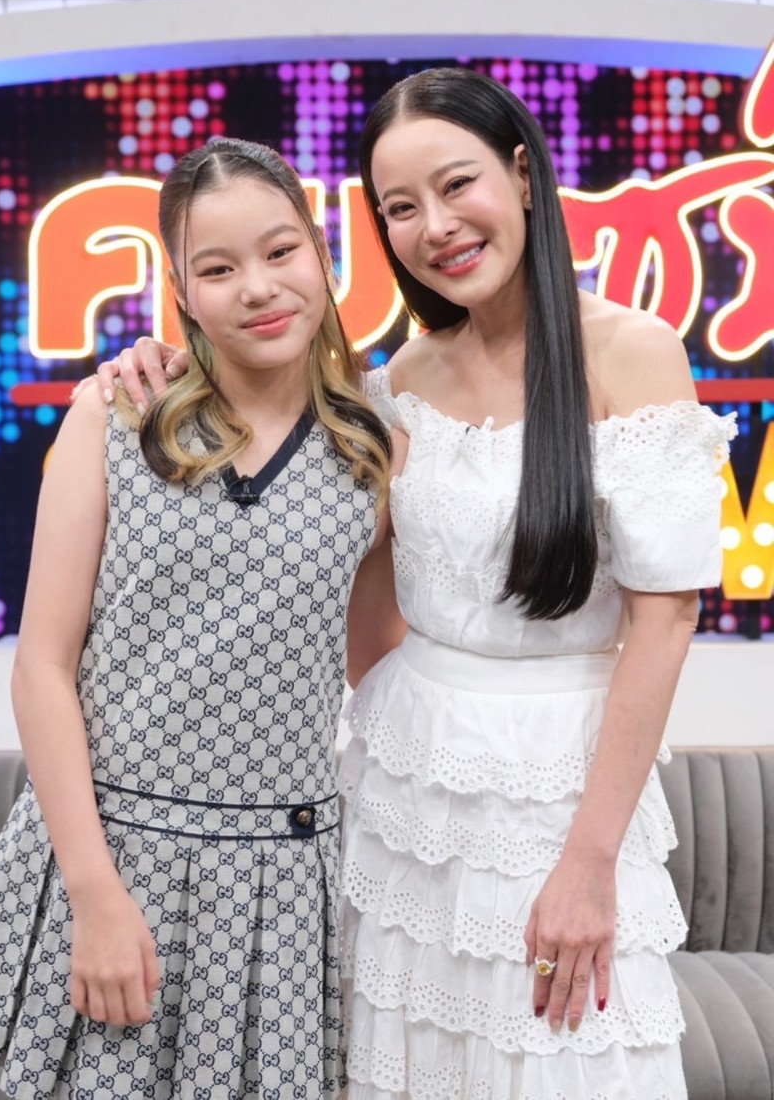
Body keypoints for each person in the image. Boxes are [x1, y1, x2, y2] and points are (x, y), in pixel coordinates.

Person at [93, 69, 734, 1100]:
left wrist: (587, 862)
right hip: (400, 788)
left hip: (559, 793)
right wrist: (159, 360)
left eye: (455, 184)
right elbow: (363, 593)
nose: (435, 226)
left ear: (521, 174)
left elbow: (663, 625)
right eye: (399, 206)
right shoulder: (396, 380)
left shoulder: (632, 352)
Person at [0, 137, 394, 1100]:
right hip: (113, 857)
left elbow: (380, 665)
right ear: (182, 294)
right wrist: (94, 891)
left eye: (281, 250)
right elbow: (42, 666)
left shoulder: (375, 446)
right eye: (218, 267)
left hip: (282, 880)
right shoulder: (116, 415)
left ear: (322, 255)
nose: (259, 286)